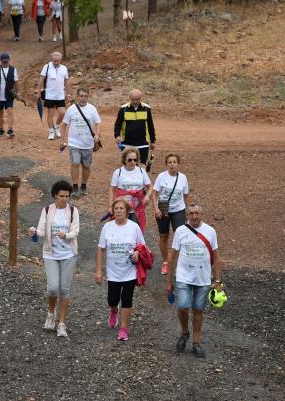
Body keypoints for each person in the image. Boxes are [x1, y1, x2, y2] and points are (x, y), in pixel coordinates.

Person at [167, 203, 223, 358]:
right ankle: (185, 332)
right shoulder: (180, 231)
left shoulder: (210, 232)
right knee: (183, 306)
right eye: (191, 213)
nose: (194, 216)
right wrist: (169, 282)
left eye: (197, 213)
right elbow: (172, 256)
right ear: (187, 215)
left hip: (203, 278)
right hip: (184, 275)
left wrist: (218, 281)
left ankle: (196, 342)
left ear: (201, 214)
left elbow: (217, 257)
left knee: (198, 310)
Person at [29, 180, 80, 338]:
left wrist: (66, 235)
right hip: (50, 253)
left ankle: (62, 323)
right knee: (52, 287)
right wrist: (34, 232)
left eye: (67, 196)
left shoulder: (73, 211)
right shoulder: (47, 210)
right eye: (61, 196)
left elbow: (76, 231)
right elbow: (42, 230)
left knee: (64, 289)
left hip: (68, 254)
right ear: (55, 195)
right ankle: (51, 314)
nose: (64, 199)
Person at [95, 198, 146, 341]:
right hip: (112, 272)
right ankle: (113, 310)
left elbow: (142, 246)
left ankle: (123, 328)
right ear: (113, 210)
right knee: (112, 299)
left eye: (121, 208)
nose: (118, 211)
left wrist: (137, 253)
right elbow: (100, 249)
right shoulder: (107, 227)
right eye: (116, 208)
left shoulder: (134, 227)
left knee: (127, 299)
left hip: (130, 271)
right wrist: (98, 270)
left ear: (127, 211)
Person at [152, 153, 190, 275]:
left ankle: (179, 262)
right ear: (166, 164)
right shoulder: (161, 177)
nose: (172, 164)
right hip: (163, 207)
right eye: (170, 162)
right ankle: (165, 262)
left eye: (174, 162)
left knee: (180, 236)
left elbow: (186, 195)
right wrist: (156, 208)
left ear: (178, 164)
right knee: (164, 236)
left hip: (178, 209)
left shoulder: (183, 178)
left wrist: (187, 211)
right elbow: (154, 193)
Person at [60, 87, 101, 197]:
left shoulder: (92, 109)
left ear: (88, 97)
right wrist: (63, 140)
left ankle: (83, 185)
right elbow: (63, 124)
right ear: (77, 97)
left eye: (85, 96)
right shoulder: (71, 109)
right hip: (74, 143)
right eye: (81, 96)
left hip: (88, 143)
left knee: (86, 166)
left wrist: (97, 134)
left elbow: (98, 123)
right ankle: (74, 186)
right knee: (75, 163)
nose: (83, 98)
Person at [109, 147, 152, 233]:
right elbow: (112, 190)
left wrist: (147, 196)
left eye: (135, 160)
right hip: (121, 208)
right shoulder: (118, 172)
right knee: (120, 230)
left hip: (137, 208)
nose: (132, 162)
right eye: (130, 160)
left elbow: (150, 187)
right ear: (124, 160)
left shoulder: (141, 171)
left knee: (134, 231)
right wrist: (111, 206)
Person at [114, 89, 156, 165]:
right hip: (127, 143)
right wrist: (117, 135)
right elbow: (117, 124)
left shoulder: (146, 109)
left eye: (137, 99)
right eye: (133, 99)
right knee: (128, 166)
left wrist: (152, 141)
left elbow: (150, 125)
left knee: (142, 166)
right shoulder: (123, 109)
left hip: (143, 143)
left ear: (141, 98)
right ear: (129, 98)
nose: (135, 102)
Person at [36, 52, 71, 140]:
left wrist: (69, 94)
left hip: (60, 95)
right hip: (49, 95)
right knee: (50, 114)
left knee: (62, 112)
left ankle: (56, 126)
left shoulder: (64, 68)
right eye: (55, 61)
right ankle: (51, 131)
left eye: (58, 61)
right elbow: (41, 80)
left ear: (60, 60)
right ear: (52, 60)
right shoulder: (47, 67)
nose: (56, 62)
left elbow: (66, 82)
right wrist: (39, 92)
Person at [0, 53, 19, 138]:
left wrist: (17, 93)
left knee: (10, 111)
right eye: (4, 61)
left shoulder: (13, 69)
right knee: (0, 112)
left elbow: (16, 82)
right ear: (1, 61)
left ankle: (10, 129)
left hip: (9, 95)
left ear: (9, 60)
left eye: (6, 61)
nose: (5, 62)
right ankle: (1, 129)